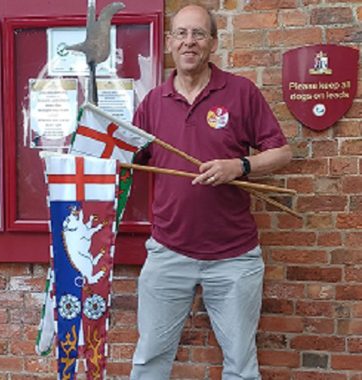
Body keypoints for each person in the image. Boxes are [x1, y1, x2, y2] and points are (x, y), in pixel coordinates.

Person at [130, 4, 292, 380]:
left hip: (234, 257)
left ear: (213, 43)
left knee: (240, 363)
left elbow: (282, 152)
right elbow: (126, 156)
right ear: (170, 42)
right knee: (149, 359)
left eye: (199, 34)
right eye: (182, 34)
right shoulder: (153, 102)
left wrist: (241, 166)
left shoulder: (240, 92)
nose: (190, 42)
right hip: (167, 252)